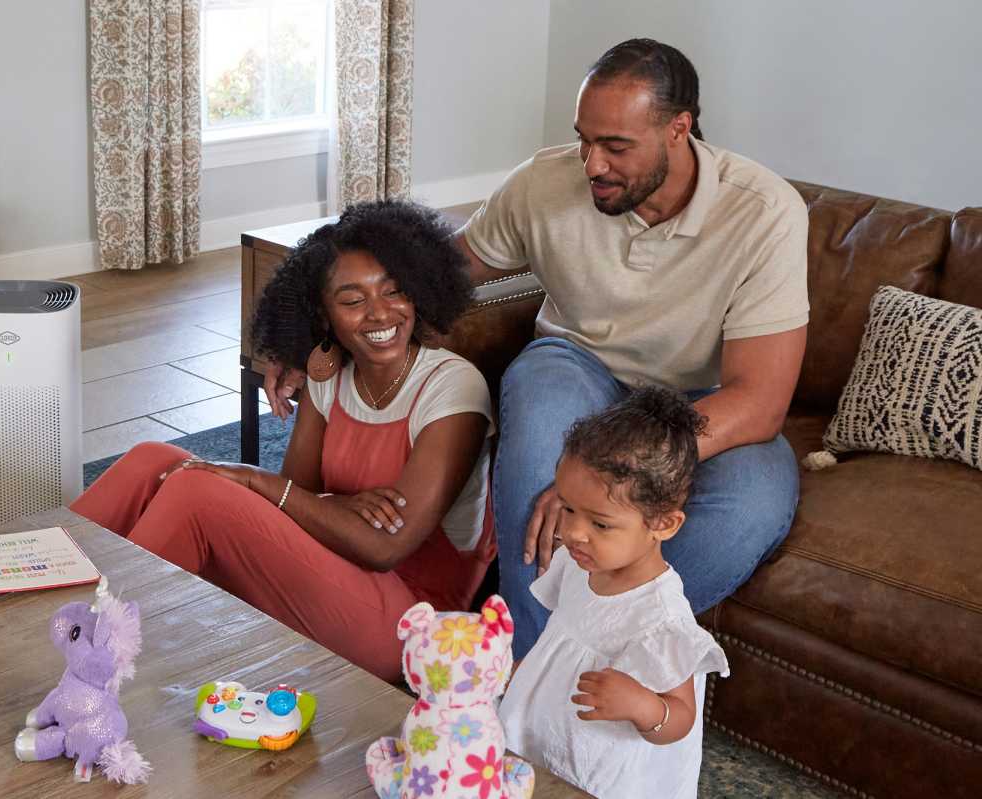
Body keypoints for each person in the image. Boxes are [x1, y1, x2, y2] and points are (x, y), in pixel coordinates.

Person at [265, 38, 808, 659]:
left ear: (679, 129)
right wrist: (304, 331)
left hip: (700, 403)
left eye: (616, 147)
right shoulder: (545, 184)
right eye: (584, 140)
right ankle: (525, 658)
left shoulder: (765, 213)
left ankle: (592, 649)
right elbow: (433, 274)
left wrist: (611, 470)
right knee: (535, 415)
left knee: (753, 505)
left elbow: (759, 401)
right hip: (577, 367)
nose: (592, 164)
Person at [70, 200, 496, 682]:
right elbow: (299, 500)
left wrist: (258, 482)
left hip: (410, 620)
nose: (380, 313)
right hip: (339, 570)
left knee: (198, 493)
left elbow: (383, 547)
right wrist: (336, 504)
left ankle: (94, 665)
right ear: (324, 314)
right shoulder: (331, 374)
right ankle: (47, 594)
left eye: (395, 292)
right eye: (353, 301)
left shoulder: (451, 387)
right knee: (153, 460)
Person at [499, 386, 729, 797]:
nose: (571, 533)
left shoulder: (662, 620)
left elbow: (679, 720)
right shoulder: (581, 561)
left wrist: (643, 706)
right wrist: (520, 673)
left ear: (664, 525)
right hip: (548, 732)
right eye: (567, 508)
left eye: (600, 524)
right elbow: (561, 638)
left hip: (603, 765)